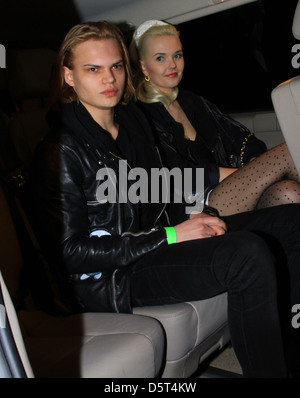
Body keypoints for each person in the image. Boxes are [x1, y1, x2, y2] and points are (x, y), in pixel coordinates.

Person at [33, 20, 300, 378]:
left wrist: (193, 217)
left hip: (158, 243)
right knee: (246, 254)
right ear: (69, 76)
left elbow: (159, 186)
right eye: (92, 69)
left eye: (115, 66)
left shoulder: (131, 123)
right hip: (116, 275)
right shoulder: (61, 150)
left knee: (289, 220)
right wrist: (172, 235)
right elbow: (73, 254)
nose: (109, 79)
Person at [129, 20, 300, 216]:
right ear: (143, 66)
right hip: (191, 206)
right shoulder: (139, 116)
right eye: (160, 58)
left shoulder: (192, 102)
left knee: (288, 192)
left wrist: (254, 163)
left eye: (177, 55)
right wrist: (245, 175)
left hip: (228, 193)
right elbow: (173, 177)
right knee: (288, 152)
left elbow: (238, 137)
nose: (172, 65)